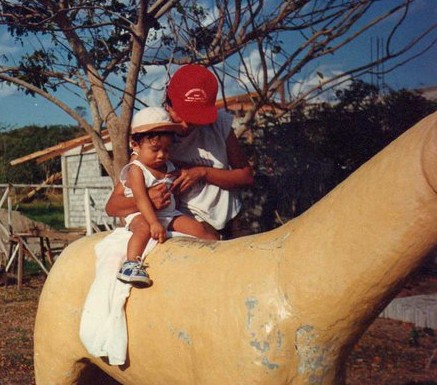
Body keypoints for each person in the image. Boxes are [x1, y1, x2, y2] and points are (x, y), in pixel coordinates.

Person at [106, 64, 254, 240]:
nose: (185, 124)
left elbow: (246, 176)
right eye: (180, 114)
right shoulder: (154, 137)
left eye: (193, 118)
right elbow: (113, 206)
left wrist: (202, 173)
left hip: (233, 219)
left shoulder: (219, 123)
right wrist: (146, 201)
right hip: (192, 225)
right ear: (168, 104)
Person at [117, 106, 217, 286]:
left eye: (167, 149)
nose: (162, 155)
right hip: (142, 213)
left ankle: (218, 252)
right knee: (143, 229)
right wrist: (154, 222)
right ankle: (130, 264)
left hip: (168, 214)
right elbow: (141, 199)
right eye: (155, 149)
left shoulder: (168, 166)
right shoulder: (136, 170)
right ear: (135, 145)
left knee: (199, 229)